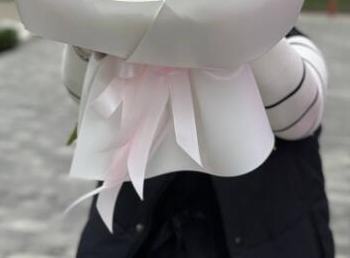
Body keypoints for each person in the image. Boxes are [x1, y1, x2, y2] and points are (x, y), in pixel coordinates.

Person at [62, 28, 335, 258]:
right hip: (138, 238)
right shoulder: (132, 47)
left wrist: (241, 17)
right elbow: (86, 100)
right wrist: (92, 32)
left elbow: (300, 117)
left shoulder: (295, 45)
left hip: (263, 238)